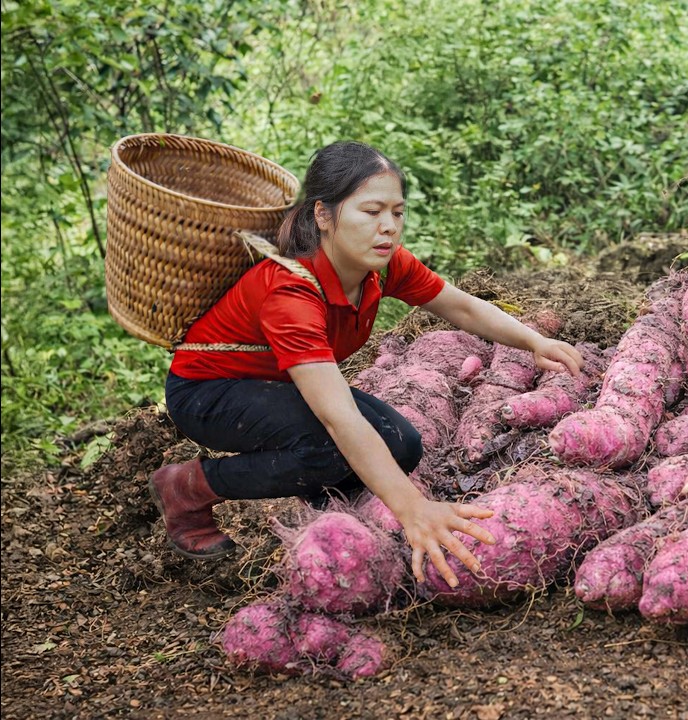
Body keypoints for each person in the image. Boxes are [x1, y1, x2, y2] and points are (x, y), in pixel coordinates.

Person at [149, 141, 584, 587]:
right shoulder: (291, 291)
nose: (388, 227)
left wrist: (533, 340)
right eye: (371, 211)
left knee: (403, 446)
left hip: (278, 386)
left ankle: (326, 505)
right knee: (332, 448)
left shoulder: (381, 265)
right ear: (323, 215)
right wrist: (413, 509)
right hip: (209, 392)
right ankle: (188, 486)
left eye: (397, 212)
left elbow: (460, 306)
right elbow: (338, 418)